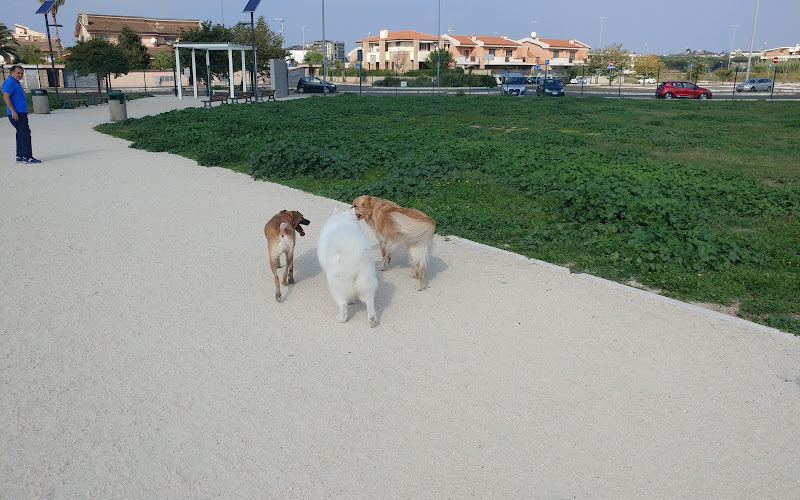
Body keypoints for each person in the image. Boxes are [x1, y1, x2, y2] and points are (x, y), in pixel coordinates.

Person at [3, 65, 41, 163]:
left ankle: (20, 155)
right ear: (11, 72)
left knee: (20, 133)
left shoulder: (15, 83)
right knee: (25, 133)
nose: (20, 75)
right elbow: (6, 97)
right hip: (17, 113)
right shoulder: (10, 82)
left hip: (20, 112)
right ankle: (27, 157)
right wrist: (13, 111)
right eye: (18, 73)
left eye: (21, 73)